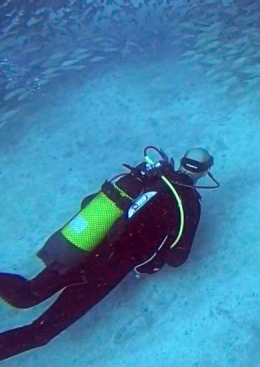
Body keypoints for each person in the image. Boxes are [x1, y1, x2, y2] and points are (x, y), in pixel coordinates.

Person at [0, 146, 219, 362]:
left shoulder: (145, 178)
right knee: (42, 331)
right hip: (106, 272)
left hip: (84, 248)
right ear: (205, 171)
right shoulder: (188, 203)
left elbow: (89, 202)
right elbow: (177, 257)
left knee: (26, 294)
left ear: (181, 161)